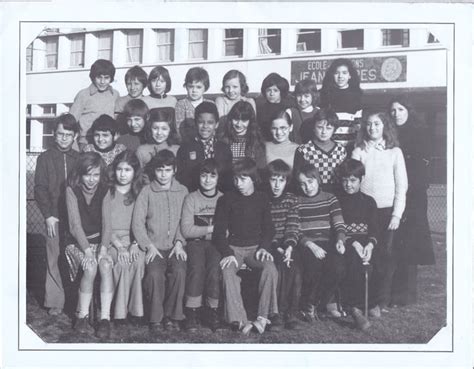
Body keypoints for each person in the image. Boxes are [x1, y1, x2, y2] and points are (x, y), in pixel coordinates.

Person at [213, 158, 278, 334]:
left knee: (270, 269)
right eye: (235, 179)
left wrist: (264, 247)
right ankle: (239, 319)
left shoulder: (262, 198)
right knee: (227, 272)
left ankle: (262, 318)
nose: (238, 183)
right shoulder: (226, 200)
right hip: (234, 249)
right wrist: (227, 253)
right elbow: (218, 232)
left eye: (243, 179)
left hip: (255, 249)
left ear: (253, 179)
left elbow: (269, 229)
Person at [352, 111, 408, 313]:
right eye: (368, 124)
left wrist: (396, 214)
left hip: (387, 213)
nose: (372, 128)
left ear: (384, 126)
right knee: (366, 255)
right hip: (365, 212)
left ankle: (380, 302)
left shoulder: (395, 152)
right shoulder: (359, 150)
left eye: (376, 124)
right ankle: (360, 300)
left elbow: (402, 186)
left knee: (385, 256)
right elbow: (354, 179)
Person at [132, 150, 188, 335]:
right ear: (154, 171)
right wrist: (148, 245)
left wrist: (179, 242)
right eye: (159, 170)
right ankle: (156, 318)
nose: (163, 174)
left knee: (179, 271)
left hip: (175, 247)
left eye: (167, 170)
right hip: (154, 247)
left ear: (175, 170)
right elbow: (137, 223)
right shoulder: (147, 192)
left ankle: (171, 316)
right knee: (154, 274)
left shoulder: (182, 191)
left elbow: (185, 221)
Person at [388, 96, 435, 306]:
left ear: (409, 111)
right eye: (393, 110)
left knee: (410, 244)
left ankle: (406, 295)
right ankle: (390, 291)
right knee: (394, 243)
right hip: (394, 194)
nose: (396, 113)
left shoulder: (420, 134)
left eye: (400, 109)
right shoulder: (389, 135)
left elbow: (421, 168)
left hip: (413, 196)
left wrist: (409, 188)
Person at [34, 113, 80, 316]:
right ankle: (55, 300)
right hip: (54, 215)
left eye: (68, 135)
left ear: (75, 136)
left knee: (75, 256)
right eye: (60, 134)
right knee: (54, 256)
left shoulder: (79, 159)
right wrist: (48, 215)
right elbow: (40, 188)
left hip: (76, 217)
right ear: (54, 134)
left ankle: (78, 298)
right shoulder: (44, 158)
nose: (64, 138)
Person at [64, 152, 111, 337]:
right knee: (90, 267)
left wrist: (103, 249)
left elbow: (108, 224)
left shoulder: (105, 190)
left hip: (99, 241)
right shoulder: (71, 190)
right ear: (80, 174)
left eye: (96, 175)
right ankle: (81, 316)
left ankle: (105, 319)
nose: (91, 180)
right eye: (87, 174)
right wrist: (88, 253)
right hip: (76, 242)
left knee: (105, 265)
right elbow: (75, 226)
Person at [295, 164, 346, 321]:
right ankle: (311, 306)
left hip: (328, 243)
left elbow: (339, 224)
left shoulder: (330, 198)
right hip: (307, 244)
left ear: (318, 180)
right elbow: (294, 230)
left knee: (337, 268)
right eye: (303, 184)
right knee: (314, 267)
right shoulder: (297, 201)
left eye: (310, 182)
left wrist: (340, 241)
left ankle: (314, 304)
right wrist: (310, 245)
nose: (307, 187)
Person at [101, 151, 145, 325]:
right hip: (111, 239)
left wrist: (135, 243)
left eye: (127, 170)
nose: (123, 174)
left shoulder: (140, 192)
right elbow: (105, 224)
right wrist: (119, 246)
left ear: (134, 172)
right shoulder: (108, 192)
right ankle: (120, 314)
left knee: (138, 260)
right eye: (119, 169)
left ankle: (136, 310)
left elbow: (143, 223)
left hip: (134, 238)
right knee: (122, 262)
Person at [180, 159, 224, 332]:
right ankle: (192, 311)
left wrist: (206, 231)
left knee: (214, 268)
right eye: (204, 175)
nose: (207, 180)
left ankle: (212, 310)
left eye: (212, 176)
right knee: (197, 268)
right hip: (195, 244)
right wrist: (212, 229)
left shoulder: (223, 199)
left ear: (218, 178)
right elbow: (187, 230)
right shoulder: (191, 198)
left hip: (216, 244)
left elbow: (226, 231)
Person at [336, 159, 378, 330]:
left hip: (365, 243)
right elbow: (337, 228)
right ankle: (354, 307)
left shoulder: (369, 202)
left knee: (379, 260)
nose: (348, 184)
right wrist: (353, 243)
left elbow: (374, 229)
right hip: (346, 243)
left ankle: (372, 301)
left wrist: (370, 245)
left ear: (361, 180)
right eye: (345, 180)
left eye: (353, 180)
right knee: (354, 261)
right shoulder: (337, 200)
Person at [264, 160, 302, 330]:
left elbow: (293, 226)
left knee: (293, 266)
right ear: (268, 180)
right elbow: (262, 228)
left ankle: (291, 312)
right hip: (268, 243)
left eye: (281, 180)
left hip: (288, 243)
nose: (277, 185)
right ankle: (276, 313)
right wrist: (276, 246)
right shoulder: (263, 199)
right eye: (273, 180)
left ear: (287, 181)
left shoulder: (291, 200)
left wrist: (289, 246)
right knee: (278, 266)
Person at [176, 101, 232, 192]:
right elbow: (182, 178)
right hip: (194, 195)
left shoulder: (224, 148)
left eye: (210, 123)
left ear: (216, 124)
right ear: (195, 123)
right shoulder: (185, 148)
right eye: (201, 122)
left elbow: (228, 177)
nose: (205, 126)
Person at [293, 108, 347, 193]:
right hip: (312, 194)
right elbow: (298, 178)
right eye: (320, 127)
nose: (324, 132)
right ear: (313, 128)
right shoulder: (303, 150)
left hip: (336, 194)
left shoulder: (341, 150)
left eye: (328, 128)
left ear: (334, 130)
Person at [69, 59, 119, 150]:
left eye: (106, 78)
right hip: (87, 141)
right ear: (93, 77)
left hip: (108, 141)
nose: (102, 82)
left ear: (111, 79)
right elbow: (71, 121)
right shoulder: (83, 94)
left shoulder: (115, 94)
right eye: (99, 77)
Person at [319, 58, 363, 150]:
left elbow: (359, 123)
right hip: (329, 146)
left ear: (350, 75)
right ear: (332, 75)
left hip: (351, 146)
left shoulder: (357, 95)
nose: (340, 76)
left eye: (344, 73)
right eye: (336, 73)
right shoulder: (324, 94)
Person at [222, 100, 266, 170]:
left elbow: (261, 168)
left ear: (250, 121)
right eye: (236, 119)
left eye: (244, 120)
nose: (239, 124)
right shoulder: (224, 141)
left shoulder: (256, 142)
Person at [175, 67, 213, 143]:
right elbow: (179, 129)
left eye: (198, 87)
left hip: (208, 143)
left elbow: (214, 127)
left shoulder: (210, 104)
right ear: (186, 87)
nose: (194, 90)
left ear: (205, 88)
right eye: (191, 86)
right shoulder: (181, 104)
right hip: (187, 144)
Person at [215, 70, 256, 136]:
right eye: (227, 87)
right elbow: (221, 125)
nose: (231, 90)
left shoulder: (249, 101)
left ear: (242, 86)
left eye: (235, 87)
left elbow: (252, 124)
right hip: (225, 137)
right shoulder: (221, 101)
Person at [255, 73, 293, 142]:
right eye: (268, 90)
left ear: (281, 92)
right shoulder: (260, 109)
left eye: (275, 90)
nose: (271, 94)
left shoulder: (287, 108)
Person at [286, 78, 320, 144]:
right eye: (299, 96)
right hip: (296, 149)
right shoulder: (290, 112)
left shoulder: (318, 111)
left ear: (313, 96)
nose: (302, 99)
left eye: (306, 96)